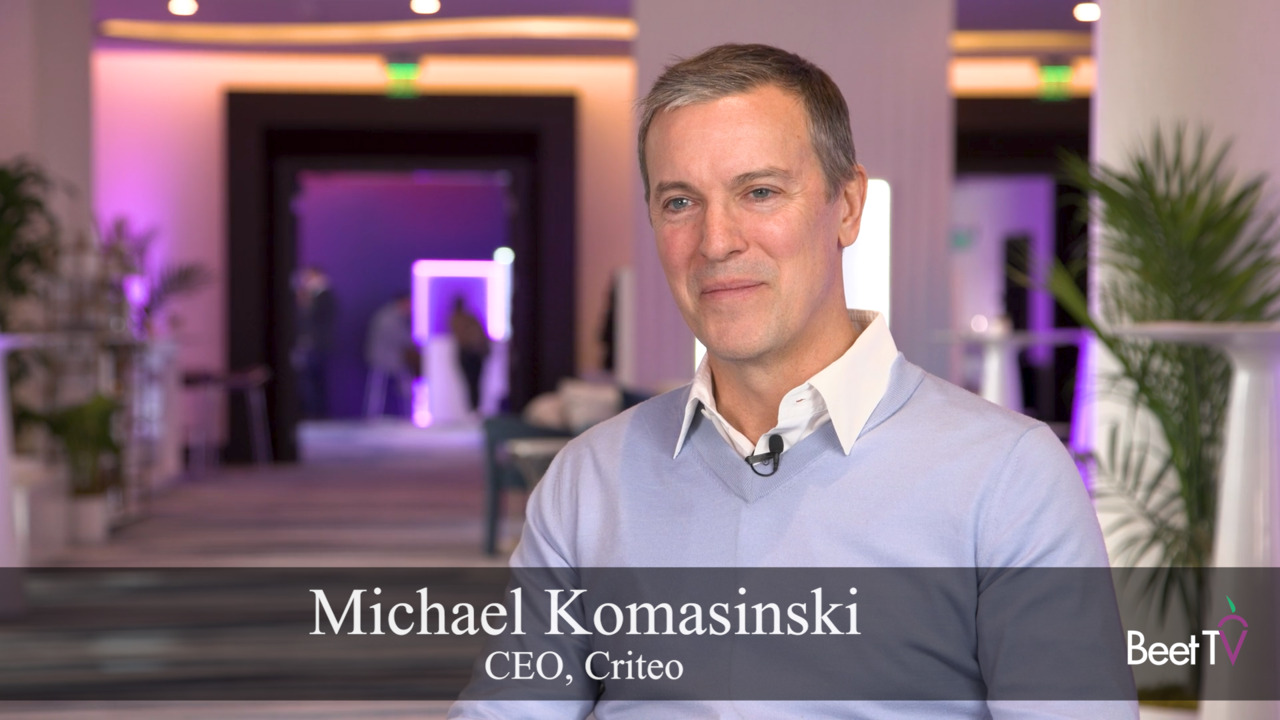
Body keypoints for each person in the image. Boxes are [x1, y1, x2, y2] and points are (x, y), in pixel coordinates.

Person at [450, 44, 1134, 718]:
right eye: (680, 201)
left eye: (760, 192)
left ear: (848, 205)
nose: (716, 241)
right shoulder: (588, 479)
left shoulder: (1006, 477)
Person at [291, 266, 336, 419]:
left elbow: (318, 321)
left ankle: (317, 414)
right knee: (309, 381)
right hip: (310, 345)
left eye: (309, 277)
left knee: (315, 381)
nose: (306, 281)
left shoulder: (325, 297)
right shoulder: (309, 297)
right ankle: (310, 413)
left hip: (318, 346)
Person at [363, 292, 417, 417]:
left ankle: (407, 415)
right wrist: (414, 343)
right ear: (403, 302)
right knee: (404, 382)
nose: (410, 308)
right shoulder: (389, 318)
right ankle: (407, 415)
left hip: (386, 357)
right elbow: (400, 339)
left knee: (402, 382)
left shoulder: (391, 315)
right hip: (385, 358)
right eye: (409, 304)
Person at [449, 296, 490, 414]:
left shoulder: (467, 318)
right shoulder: (459, 319)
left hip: (474, 353)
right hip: (468, 353)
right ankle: (473, 409)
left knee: (475, 382)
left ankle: (475, 409)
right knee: (471, 382)